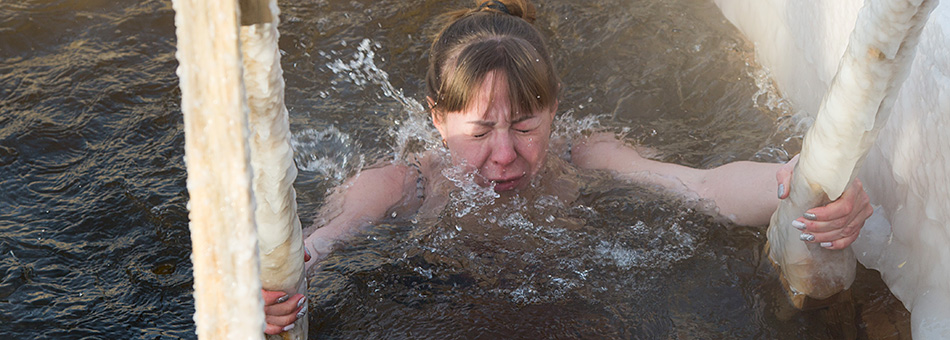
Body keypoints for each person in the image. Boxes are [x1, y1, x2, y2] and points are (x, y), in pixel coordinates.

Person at [261, 0, 873, 334]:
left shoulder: (585, 155)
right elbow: (324, 240)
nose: (504, 156)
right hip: (437, 297)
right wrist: (283, 278)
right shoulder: (407, 181)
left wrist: (801, 181)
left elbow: (702, 187)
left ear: (555, 111)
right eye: (478, 132)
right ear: (436, 119)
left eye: (527, 127)